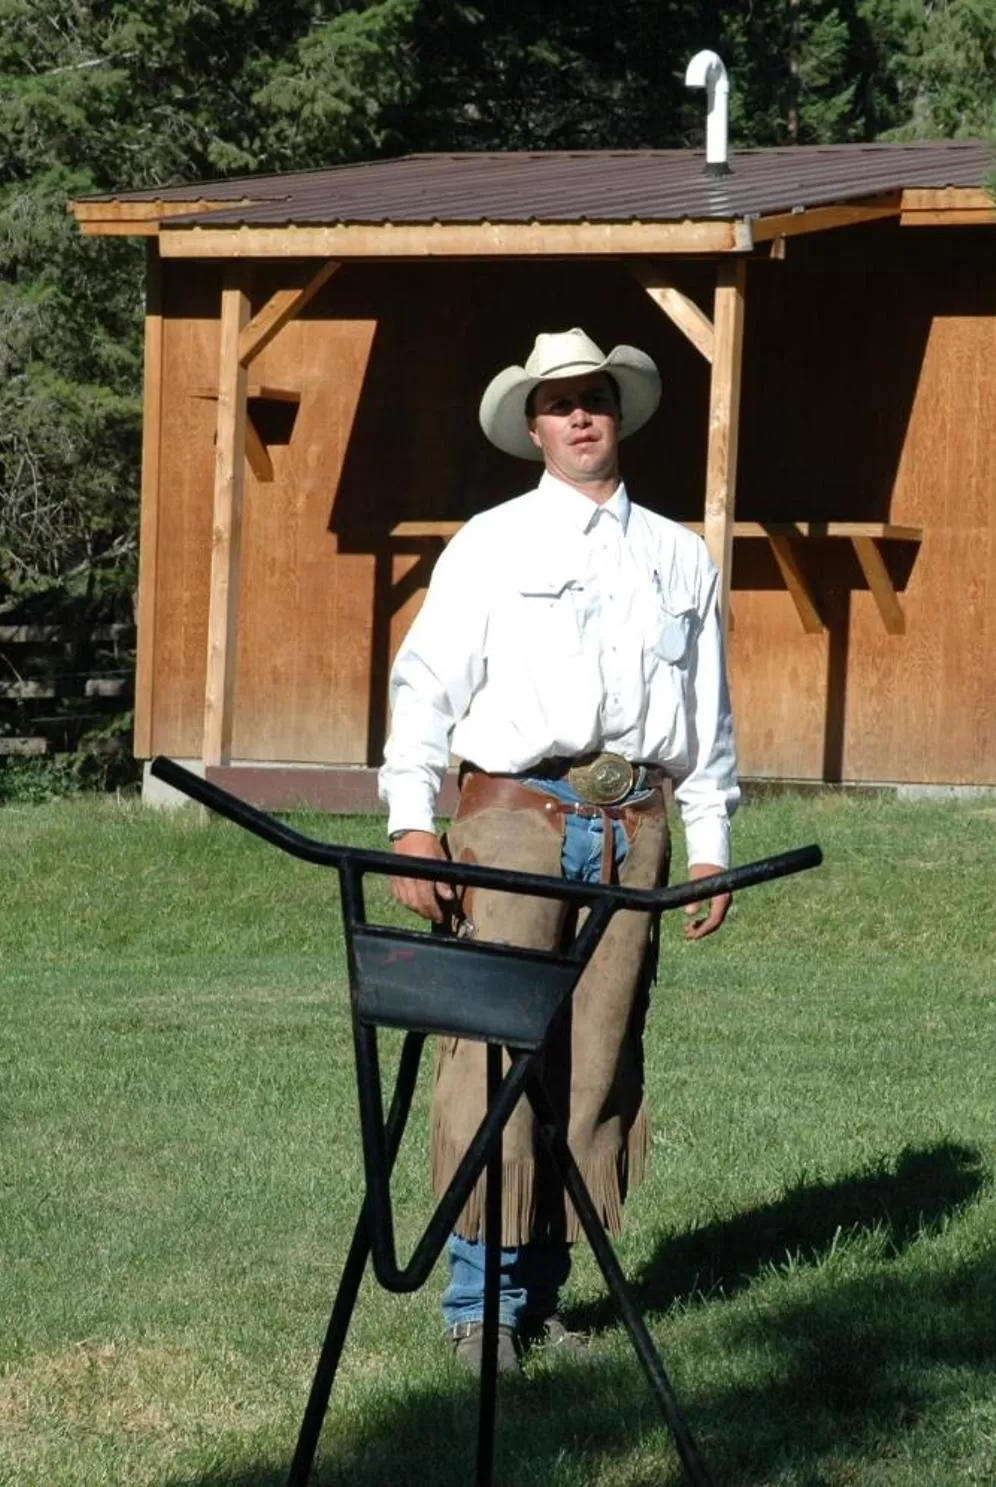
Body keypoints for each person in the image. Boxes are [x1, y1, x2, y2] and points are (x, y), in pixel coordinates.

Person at [377, 327, 738, 1376]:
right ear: (532, 424)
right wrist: (411, 820)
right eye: (559, 402)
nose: (580, 416)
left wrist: (707, 843)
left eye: (595, 398)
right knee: (488, 1054)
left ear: (617, 411)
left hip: (633, 827)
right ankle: (475, 1303)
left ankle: (540, 1294)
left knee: (596, 1057)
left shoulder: (678, 556)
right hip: (511, 817)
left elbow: (705, 717)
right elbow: (424, 687)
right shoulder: (489, 543)